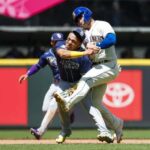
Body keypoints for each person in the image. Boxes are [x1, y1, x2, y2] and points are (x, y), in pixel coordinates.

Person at [53, 6, 124, 143]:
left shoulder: (102, 25)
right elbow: (79, 49)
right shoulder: (84, 34)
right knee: (96, 104)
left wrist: (99, 46)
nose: (79, 21)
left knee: (85, 80)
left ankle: (68, 101)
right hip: (97, 68)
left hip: (108, 64)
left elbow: (112, 39)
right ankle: (117, 124)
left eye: (79, 17)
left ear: (86, 14)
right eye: (76, 20)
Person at [19, 32, 74, 139]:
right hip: (55, 84)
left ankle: (40, 131)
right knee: (45, 108)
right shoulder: (47, 55)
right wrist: (27, 73)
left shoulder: (66, 51)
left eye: (61, 41)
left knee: (53, 105)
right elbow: (38, 65)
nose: (59, 44)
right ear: (52, 42)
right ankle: (68, 112)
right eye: (57, 42)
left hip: (66, 83)